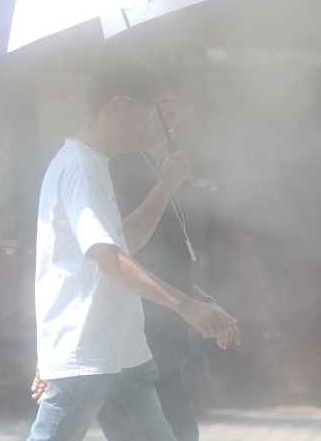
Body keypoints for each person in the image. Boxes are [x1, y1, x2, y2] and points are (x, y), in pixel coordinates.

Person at [26, 67, 238, 441]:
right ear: (118, 107)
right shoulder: (80, 169)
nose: (147, 129)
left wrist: (166, 187)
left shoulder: (94, 166)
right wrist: (185, 305)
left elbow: (127, 242)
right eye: (145, 115)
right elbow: (109, 258)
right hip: (87, 355)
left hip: (123, 356)